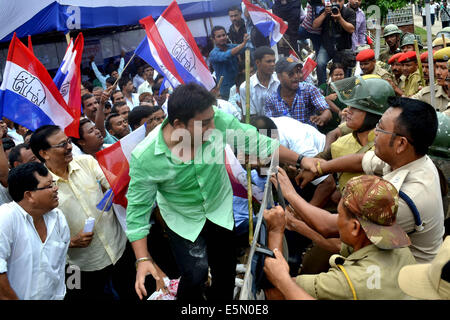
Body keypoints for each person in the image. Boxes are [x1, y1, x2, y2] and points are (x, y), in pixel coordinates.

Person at [125, 82, 307, 301]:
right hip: (183, 219)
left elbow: (256, 142)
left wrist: (302, 159)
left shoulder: (215, 119)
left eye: (212, 119)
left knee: (226, 270)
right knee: (194, 275)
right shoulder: (145, 157)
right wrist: (142, 259)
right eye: (204, 124)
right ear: (178, 124)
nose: (213, 127)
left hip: (219, 209)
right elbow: (137, 211)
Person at [296, 97, 445, 263]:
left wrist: (290, 200)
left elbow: (334, 227)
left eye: (380, 129)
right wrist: (320, 169)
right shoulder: (406, 157)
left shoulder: (406, 198)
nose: (376, 133)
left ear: (401, 144)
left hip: (403, 277)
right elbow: (361, 160)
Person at [263, 174, 416, 300]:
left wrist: (275, 232)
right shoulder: (401, 249)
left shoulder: (350, 282)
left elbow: (277, 293)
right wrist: (295, 223)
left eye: (339, 214)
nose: (336, 220)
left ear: (355, 227)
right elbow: (333, 242)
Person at [29, 125, 135, 300]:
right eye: (62, 145)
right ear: (44, 153)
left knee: (132, 293)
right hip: (79, 265)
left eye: (69, 141)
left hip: (119, 248)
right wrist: (69, 242)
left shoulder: (86, 162)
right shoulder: (38, 187)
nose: (69, 147)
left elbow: (113, 184)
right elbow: (37, 234)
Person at [0, 162, 70, 300]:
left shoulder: (58, 218)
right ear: (29, 195)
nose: (56, 188)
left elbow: (60, 268)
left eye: (53, 183)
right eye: (49, 186)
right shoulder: (6, 218)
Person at [265, 57, 331, 128]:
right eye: (291, 74)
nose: (296, 76)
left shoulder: (309, 90)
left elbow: (327, 112)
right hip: (285, 138)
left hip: (309, 137)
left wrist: (322, 118)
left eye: (298, 72)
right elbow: (269, 125)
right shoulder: (271, 99)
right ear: (279, 76)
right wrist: (274, 138)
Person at [313, 0, 356, 85]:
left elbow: (351, 29)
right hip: (326, 46)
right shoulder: (325, 11)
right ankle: (322, 87)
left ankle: (343, 89)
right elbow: (314, 25)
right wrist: (325, 14)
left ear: (343, 1)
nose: (336, 3)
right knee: (320, 64)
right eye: (334, 1)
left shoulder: (349, 12)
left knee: (342, 72)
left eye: (339, 1)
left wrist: (340, 18)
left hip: (343, 47)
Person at [209, 26, 249, 100]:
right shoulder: (213, 54)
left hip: (238, 85)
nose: (222, 38)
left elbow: (245, 48)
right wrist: (243, 44)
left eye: (224, 35)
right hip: (226, 89)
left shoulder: (230, 46)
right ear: (214, 39)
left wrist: (247, 38)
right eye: (219, 36)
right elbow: (226, 56)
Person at [239, 46, 279, 116]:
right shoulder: (245, 87)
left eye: (274, 61)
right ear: (258, 62)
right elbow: (251, 116)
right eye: (269, 61)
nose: (273, 64)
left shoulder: (280, 80)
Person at [412, 47, 450, 112]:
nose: (437, 72)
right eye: (437, 67)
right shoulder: (428, 93)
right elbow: (406, 105)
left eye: (443, 68)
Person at [318, 63, 347, 134]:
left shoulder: (348, 90)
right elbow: (315, 100)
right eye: (336, 75)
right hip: (324, 128)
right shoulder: (324, 88)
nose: (339, 77)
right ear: (331, 75)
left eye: (341, 74)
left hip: (340, 129)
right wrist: (327, 98)